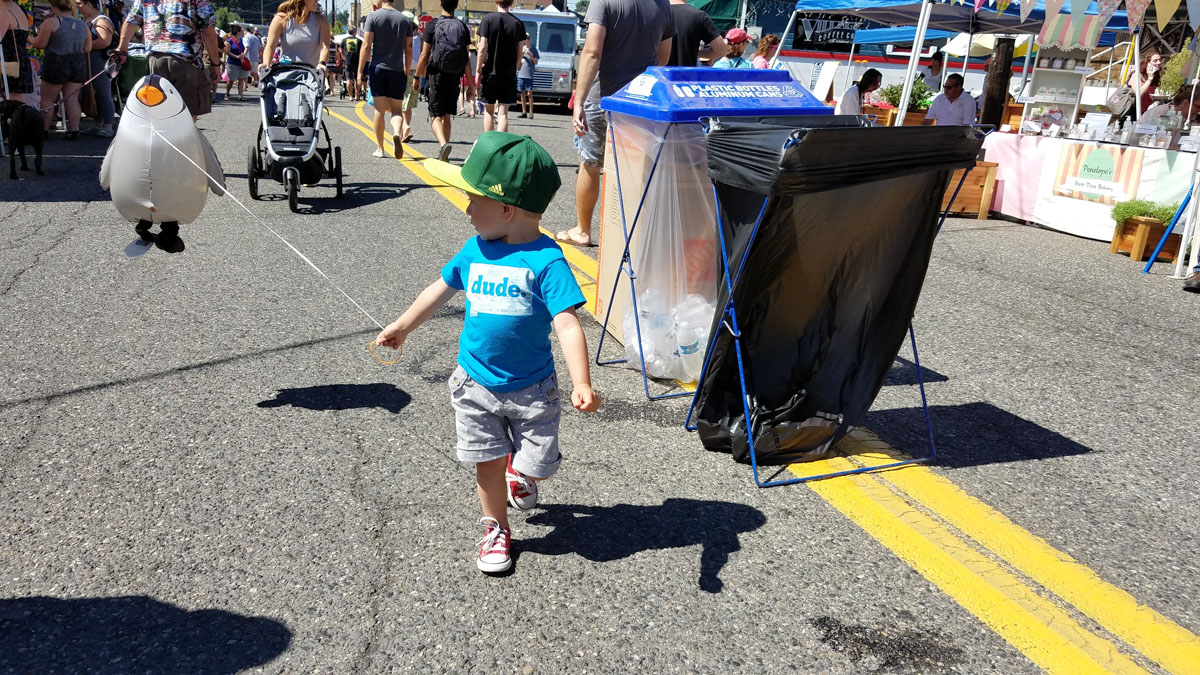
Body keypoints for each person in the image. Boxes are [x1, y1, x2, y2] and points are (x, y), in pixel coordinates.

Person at [375, 132, 601, 574]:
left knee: (540, 465)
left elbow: (567, 323)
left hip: (533, 389)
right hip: (474, 383)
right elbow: (438, 290)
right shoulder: (474, 250)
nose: (467, 210)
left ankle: (523, 472)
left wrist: (582, 381)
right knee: (487, 462)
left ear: (506, 209)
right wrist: (403, 326)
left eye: (474, 200)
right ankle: (496, 527)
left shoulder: (546, 261)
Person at [557, 0, 672, 247]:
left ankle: (583, 230)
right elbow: (663, 57)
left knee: (590, 163)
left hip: (603, 96)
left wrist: (579, 101)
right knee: (634, 167)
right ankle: (629, 233)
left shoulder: (604, 1)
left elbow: (592, 52)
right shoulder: (663, 5)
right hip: (639, 100)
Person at [114, 0, 220, 120]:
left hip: (156, 59)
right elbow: (209, 32)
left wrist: (122, 50)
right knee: (187, 114)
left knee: (159, 112)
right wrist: (215, 64)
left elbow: (131, 22)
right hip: (186, 61)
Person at [416, 0, 470, 161]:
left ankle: (443, 145)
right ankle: (444, 155)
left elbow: (424, 54)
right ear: (456, 5)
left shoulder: (433, 25)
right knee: (446, 115)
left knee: (435, 115)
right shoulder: (462, 27)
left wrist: (417, 76)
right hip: (455, 75)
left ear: (441, 4)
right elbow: (466, 59)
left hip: (437, 75)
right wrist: (472, 85)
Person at [357, 0, 411, 158]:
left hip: (378, 68)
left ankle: (380, 148)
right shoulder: (405, 20)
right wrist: (406, 71)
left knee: (379, 109)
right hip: (397, 69)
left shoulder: (373, 17)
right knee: (397, 109)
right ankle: (396, 133)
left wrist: (360, 71)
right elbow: (408, 49)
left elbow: (366, 45)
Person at [30, 0, 91, 139]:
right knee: (72, 99)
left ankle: (44, 130)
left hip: (56, 62)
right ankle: (74, 130)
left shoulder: (52, 22)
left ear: (54, 7)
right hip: (77, 63)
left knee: (47, 99)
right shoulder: (82, 24)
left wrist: (29, 38)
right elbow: (88, 48)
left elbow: (40, 44)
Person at [475, 0, 526, 133]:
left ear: (495, 1)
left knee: (489, 111)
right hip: (509, 73)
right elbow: (520, 51)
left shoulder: (488, 19)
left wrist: (478, 69)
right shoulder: (518, 23)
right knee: (503, 113)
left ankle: (489, 142)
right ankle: (501, 143)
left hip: (490, 71)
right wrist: (515, 67)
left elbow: (483, 46)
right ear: (511, 2)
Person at [78, 0, 115, 137]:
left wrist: (84, 46)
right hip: (90, 61)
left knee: (103, 92)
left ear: (89, 3)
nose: (77, 7)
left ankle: (108, 126)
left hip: (100, 61)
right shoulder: (87, 19)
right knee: (96, 93)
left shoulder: (101, 20)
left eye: (80, 3)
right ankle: (98, 125)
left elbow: (105, 41)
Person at [264, 0, 330, 68]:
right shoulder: (281, 19)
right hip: (286, 70)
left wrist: (322, 63)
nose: (317, 0)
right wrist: (266, 63)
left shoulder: (321, 21)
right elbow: (270, 46)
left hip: (312, 72)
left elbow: (325, 47)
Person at [665, 0, 724, 68]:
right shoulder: (699, 16)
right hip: (686, 73)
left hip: (658, 72)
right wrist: (697, 53)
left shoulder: (658, 14)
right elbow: (721, 50)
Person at [1, 0, 36, 107]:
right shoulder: (19, 10)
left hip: (8, 63)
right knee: (17, 103)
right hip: (20, 60)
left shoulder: (4, 12)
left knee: (11, 104)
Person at [396, 9, 420, 142]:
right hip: (415, 72)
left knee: (399, 101)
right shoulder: (418, 39)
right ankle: (405, 129)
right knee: (408, 102)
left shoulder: (399, 37)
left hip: (401, 69)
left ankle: (402, 128)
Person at [1126, 50, 1161, 115]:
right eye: (1155, 61)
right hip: (1131, 112)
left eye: (1160, 60)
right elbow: (1139, 93)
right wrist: (1149, 79)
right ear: (1146, 63)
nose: (1159, 62)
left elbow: (1147, 99)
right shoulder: (1136, 75)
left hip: (1143, 111)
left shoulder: (1154, 77)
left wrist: (1156, 99)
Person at [223, 24, 248, 101]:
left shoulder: (242, 40)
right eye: (241, 31)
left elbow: (244, 49)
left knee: (241, 79)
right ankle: (227, 93)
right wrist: (236, 56)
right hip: (232, 63)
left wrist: (243, 56)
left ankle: (240, 95)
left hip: (241, 63)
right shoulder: (229, 41)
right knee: (231, 80)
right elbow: (227, 51)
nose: (242, 32)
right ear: (237, 32)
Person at [516, 40, 536, 118]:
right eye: (525, 38)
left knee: (529, 93)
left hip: (529, 75)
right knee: (522, 93)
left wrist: (531, 55)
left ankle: (531, 112)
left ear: (530, 40)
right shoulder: (520, 49)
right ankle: (524, 111)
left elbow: (536, 62)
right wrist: (522, 54)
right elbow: (517, 60)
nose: (527, 40)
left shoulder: (534, 50)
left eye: (528, 38)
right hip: (521, 74)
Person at [341, 26, 362, 99]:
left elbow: (341, 50)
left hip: (348, 61)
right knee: (357, 79)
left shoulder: (344, 40)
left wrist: (344, 57)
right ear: (355, 32)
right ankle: (357, 95)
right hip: (357, 62)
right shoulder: (359, 41)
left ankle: (350, 96)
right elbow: (362, 52)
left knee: (348, 79)